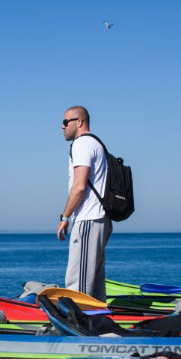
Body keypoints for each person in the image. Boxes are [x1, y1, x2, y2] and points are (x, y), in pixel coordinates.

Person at [57, 106, 111, 301]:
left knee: (78, 284)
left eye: (66, 122)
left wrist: (65, 217)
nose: (62, 127)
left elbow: (79, 186)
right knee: (95, 284)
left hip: (88, 218)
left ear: (79, 122)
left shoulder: (82, 144)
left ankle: (77, 318)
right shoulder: (96, 143)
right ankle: (97, 317)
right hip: (100, 218)